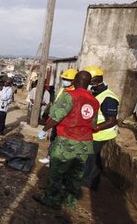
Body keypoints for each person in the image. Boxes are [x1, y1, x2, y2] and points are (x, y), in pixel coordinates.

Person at [34, 71, 99, 209]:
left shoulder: (69, 96)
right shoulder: (94, 101)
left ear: (75, 80)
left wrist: (44, 130)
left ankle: (51, 199)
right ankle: (70, 201)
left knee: (57, 171)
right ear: (88, 84)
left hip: (67, 140)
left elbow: (56, 117)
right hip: (85, 144)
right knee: (76, 173)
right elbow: (93, 124)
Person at [83, 66, 119, 190]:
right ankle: (92, 182)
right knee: (93, 158)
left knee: (90, 157)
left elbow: (111, 121)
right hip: (95, 132)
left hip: (102, 133)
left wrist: (95, 128)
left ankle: (88, 182)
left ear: (95, 81)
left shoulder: (108, 98)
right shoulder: (96, 93)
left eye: (88, 81)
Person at [39, 69, 78, 165]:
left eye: (67, 79)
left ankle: (53, 160)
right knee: (53, 140)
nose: (65, 80)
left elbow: (62, 112)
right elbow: (56, 104)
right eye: (64, 78)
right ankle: (49, 157)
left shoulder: (73, 93)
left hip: (63, 122)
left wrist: (45, 129)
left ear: (74, 81)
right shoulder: (63, 89)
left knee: (58, 143)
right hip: (56, 120)